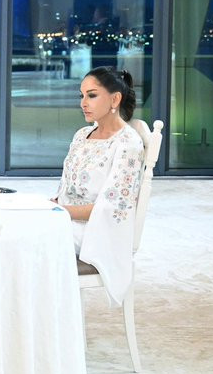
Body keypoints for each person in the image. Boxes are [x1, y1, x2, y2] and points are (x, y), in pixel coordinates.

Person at [54, 66, 145, 305]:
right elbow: (65, 189)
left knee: (29, 240)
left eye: (92, 95)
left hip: (96, 231)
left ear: (115, 99)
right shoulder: (82, 134)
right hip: (66, 219)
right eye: (82, 95)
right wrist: (53, 206)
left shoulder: (128, 144)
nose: (83, 103)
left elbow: (113, 208)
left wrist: (60, 212)